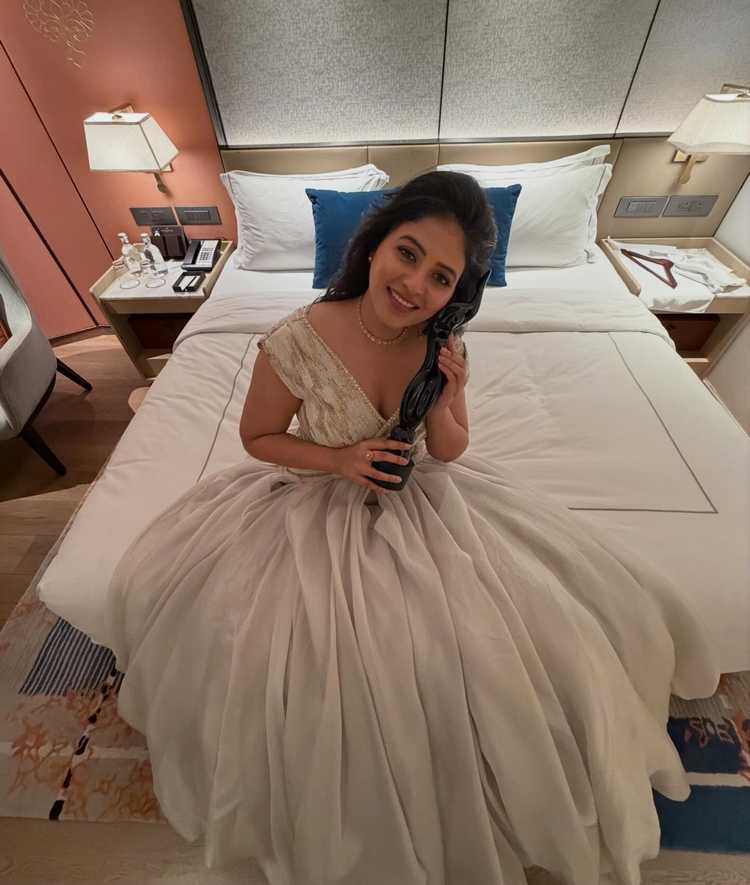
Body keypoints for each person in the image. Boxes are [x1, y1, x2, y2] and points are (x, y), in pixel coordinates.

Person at [105, 172, 719, 885]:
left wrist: (451, 395)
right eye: (408, 253)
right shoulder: (294, 340)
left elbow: (451, 450)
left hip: (426, 499)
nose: (414, 285)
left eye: (440, 277)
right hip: (315, 501)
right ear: (374, 245)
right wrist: (339, 458)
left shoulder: (443, 343)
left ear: (456, 290)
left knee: (524, 633)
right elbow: (258, 437)